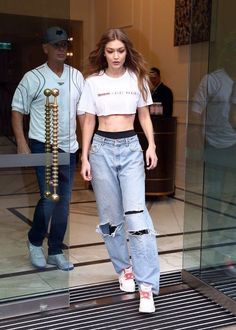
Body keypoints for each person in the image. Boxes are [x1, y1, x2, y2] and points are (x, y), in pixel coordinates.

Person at [78, 28, 160, 313]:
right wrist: (85, 156)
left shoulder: (138, 79)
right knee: (110, 218)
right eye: (110, 51)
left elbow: (144, 116)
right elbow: (88, 120)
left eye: (120, 51)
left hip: (130, 148)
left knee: (137, 217)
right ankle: (124, 268)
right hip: (101, 149)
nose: (115, 56)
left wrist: (151, 145)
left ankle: (146, 284)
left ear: (127, 51)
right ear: (104, 52)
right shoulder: (92, 82)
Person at [11, 26, 84, 271]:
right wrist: (22, 142)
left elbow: (83, 113)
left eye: (64, 45)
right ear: (46, 48)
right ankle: (34, 241)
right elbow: (17, 109)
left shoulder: (76, 76)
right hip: (44, 145)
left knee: (63, 203)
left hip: (69, 147)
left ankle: (55, 251)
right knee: (50, 199)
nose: (61, 49)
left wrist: (86, 147)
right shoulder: (33, 77)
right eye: (56, 45)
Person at [191, 67, 236, 276]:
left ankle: (225, 240)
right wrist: (200, 144)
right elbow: (196, 112)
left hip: (233, 143)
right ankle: (214, 239)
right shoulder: (211, 80)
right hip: (215, 145)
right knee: (215, 193)